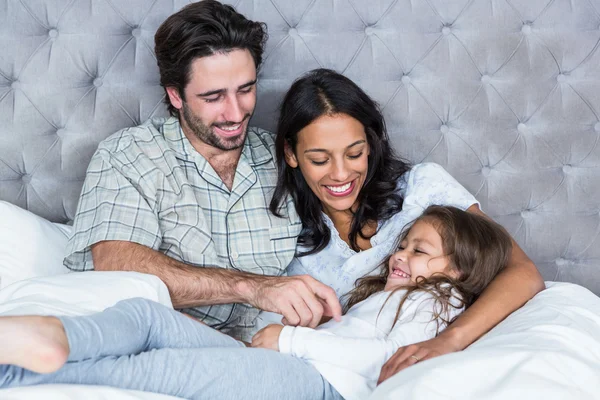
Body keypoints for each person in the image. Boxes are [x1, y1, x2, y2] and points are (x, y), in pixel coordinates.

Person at [0, 205, 512, 400]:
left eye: (418, 251)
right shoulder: (394, 296)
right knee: (147, 316)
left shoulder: (436, 305)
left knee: (161, 369)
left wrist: (290, 339)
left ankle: (21, 375)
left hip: (318, 387)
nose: (399, 257)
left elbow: (382, 362)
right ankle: (54, 335)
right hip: (284, 361)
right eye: (402, 245)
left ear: (459, 270)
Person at [63, 0, 341, 341]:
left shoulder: (284, 156)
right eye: (213, 97)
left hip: (270, 350)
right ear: (176, 95)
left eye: (246, 89)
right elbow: (118, 267)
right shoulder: (129, 156)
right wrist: (253, 287)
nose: (236, 112)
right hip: (165, 343)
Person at [267, 68, 545, 381]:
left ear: (370, 144)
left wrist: (448, 341)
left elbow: (522, 272)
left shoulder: (422, 188)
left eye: (355, 153)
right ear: (291, 154)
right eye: (320, 160)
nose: (341, 174)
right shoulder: (288, 233)